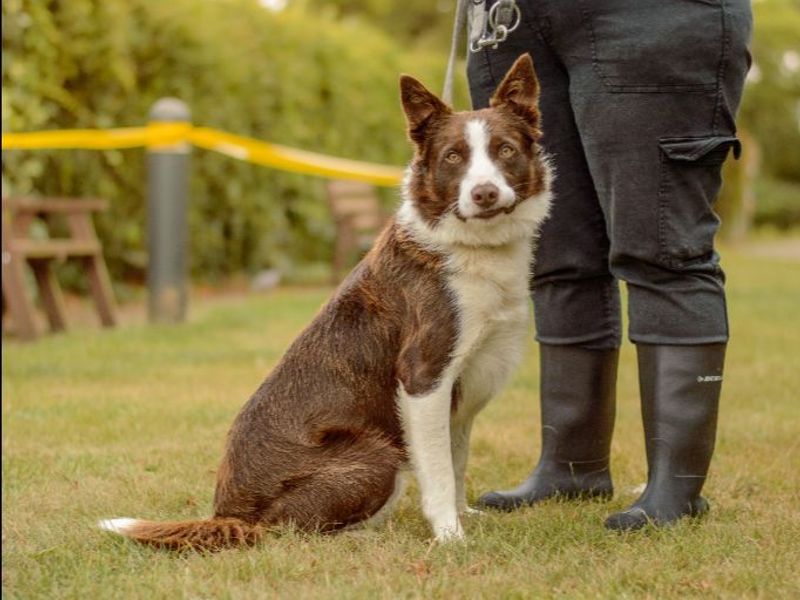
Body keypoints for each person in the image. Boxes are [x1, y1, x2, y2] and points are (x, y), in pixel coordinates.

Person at [464, 0, 753, 530]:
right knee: (558, 256)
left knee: (663, 247)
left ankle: (677, 489)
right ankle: (571, 468)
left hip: (648, 19)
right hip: (508, 20)